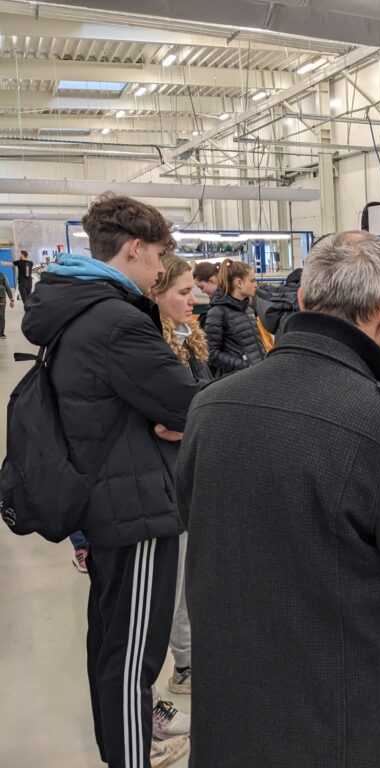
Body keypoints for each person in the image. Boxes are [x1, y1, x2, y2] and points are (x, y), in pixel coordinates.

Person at [176, 231, 380, 768]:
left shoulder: (210, 406)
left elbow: (196, 522)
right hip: (351, 722)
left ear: (303, 299)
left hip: (231, 713)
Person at [23, 194, 202, 768]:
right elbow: (189, 405)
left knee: (109, 642)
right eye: (159, 256)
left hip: (103, 497)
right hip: (135, 507)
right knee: (133, 657)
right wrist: (188, 418)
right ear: (135, 249)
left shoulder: (77, 307)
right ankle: (131, 756)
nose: (160, 268)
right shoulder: (117, 321)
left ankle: (120, 747)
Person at [150, 253, 213, 705]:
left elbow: (202, 400)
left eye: (194, 290)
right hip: (168, 478)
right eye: (184, 292)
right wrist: (198, 423)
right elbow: (166, 421)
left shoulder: (189, 337)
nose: (194, 299)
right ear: (156, 294)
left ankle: (193, 656)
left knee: (195, 579)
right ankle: (185, 664)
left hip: (193, 469)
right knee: (173, 588)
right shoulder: (155, 348)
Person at [204, 258, 265, 375]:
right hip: (238, 378)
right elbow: (211, 353)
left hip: (256, 374)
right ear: (239, 283)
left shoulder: (248, 309)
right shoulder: (217, 312)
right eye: (252, 281)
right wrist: (244, 366)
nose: (255, 285)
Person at [0, 269, 14, 338]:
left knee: (1, 315)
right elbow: (7, 287)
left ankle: (1, 333)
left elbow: (8, 288)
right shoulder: (2, 275)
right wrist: (11, 300)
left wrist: (12, 299)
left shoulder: (2, 276)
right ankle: (1, 333)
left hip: (1, 298)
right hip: (2, 298)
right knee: (1, 315)